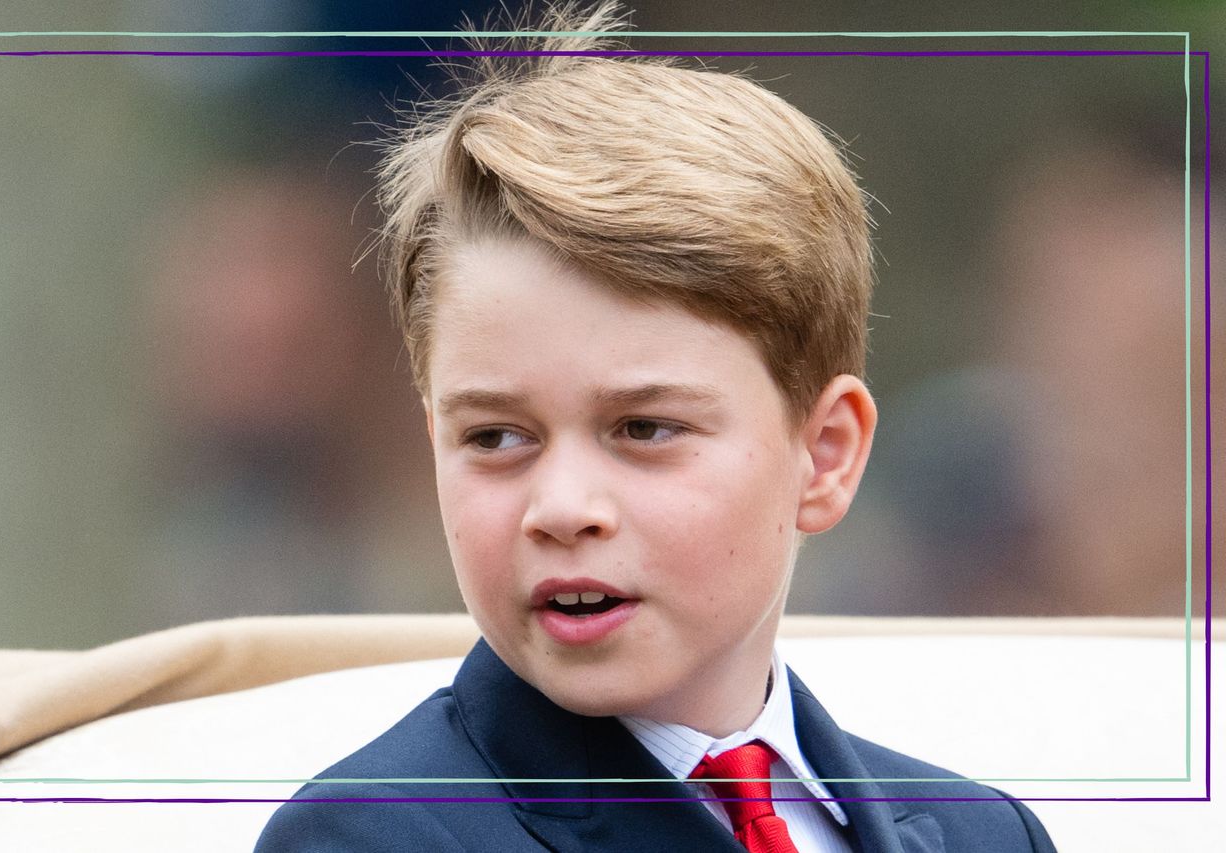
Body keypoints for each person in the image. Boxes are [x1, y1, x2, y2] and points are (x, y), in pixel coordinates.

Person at [256, 3, 1056, 850]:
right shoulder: (370, 838)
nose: (561, 507)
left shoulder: (986, 833)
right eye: (494, 436)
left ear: (824, 455)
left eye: (644, 428)